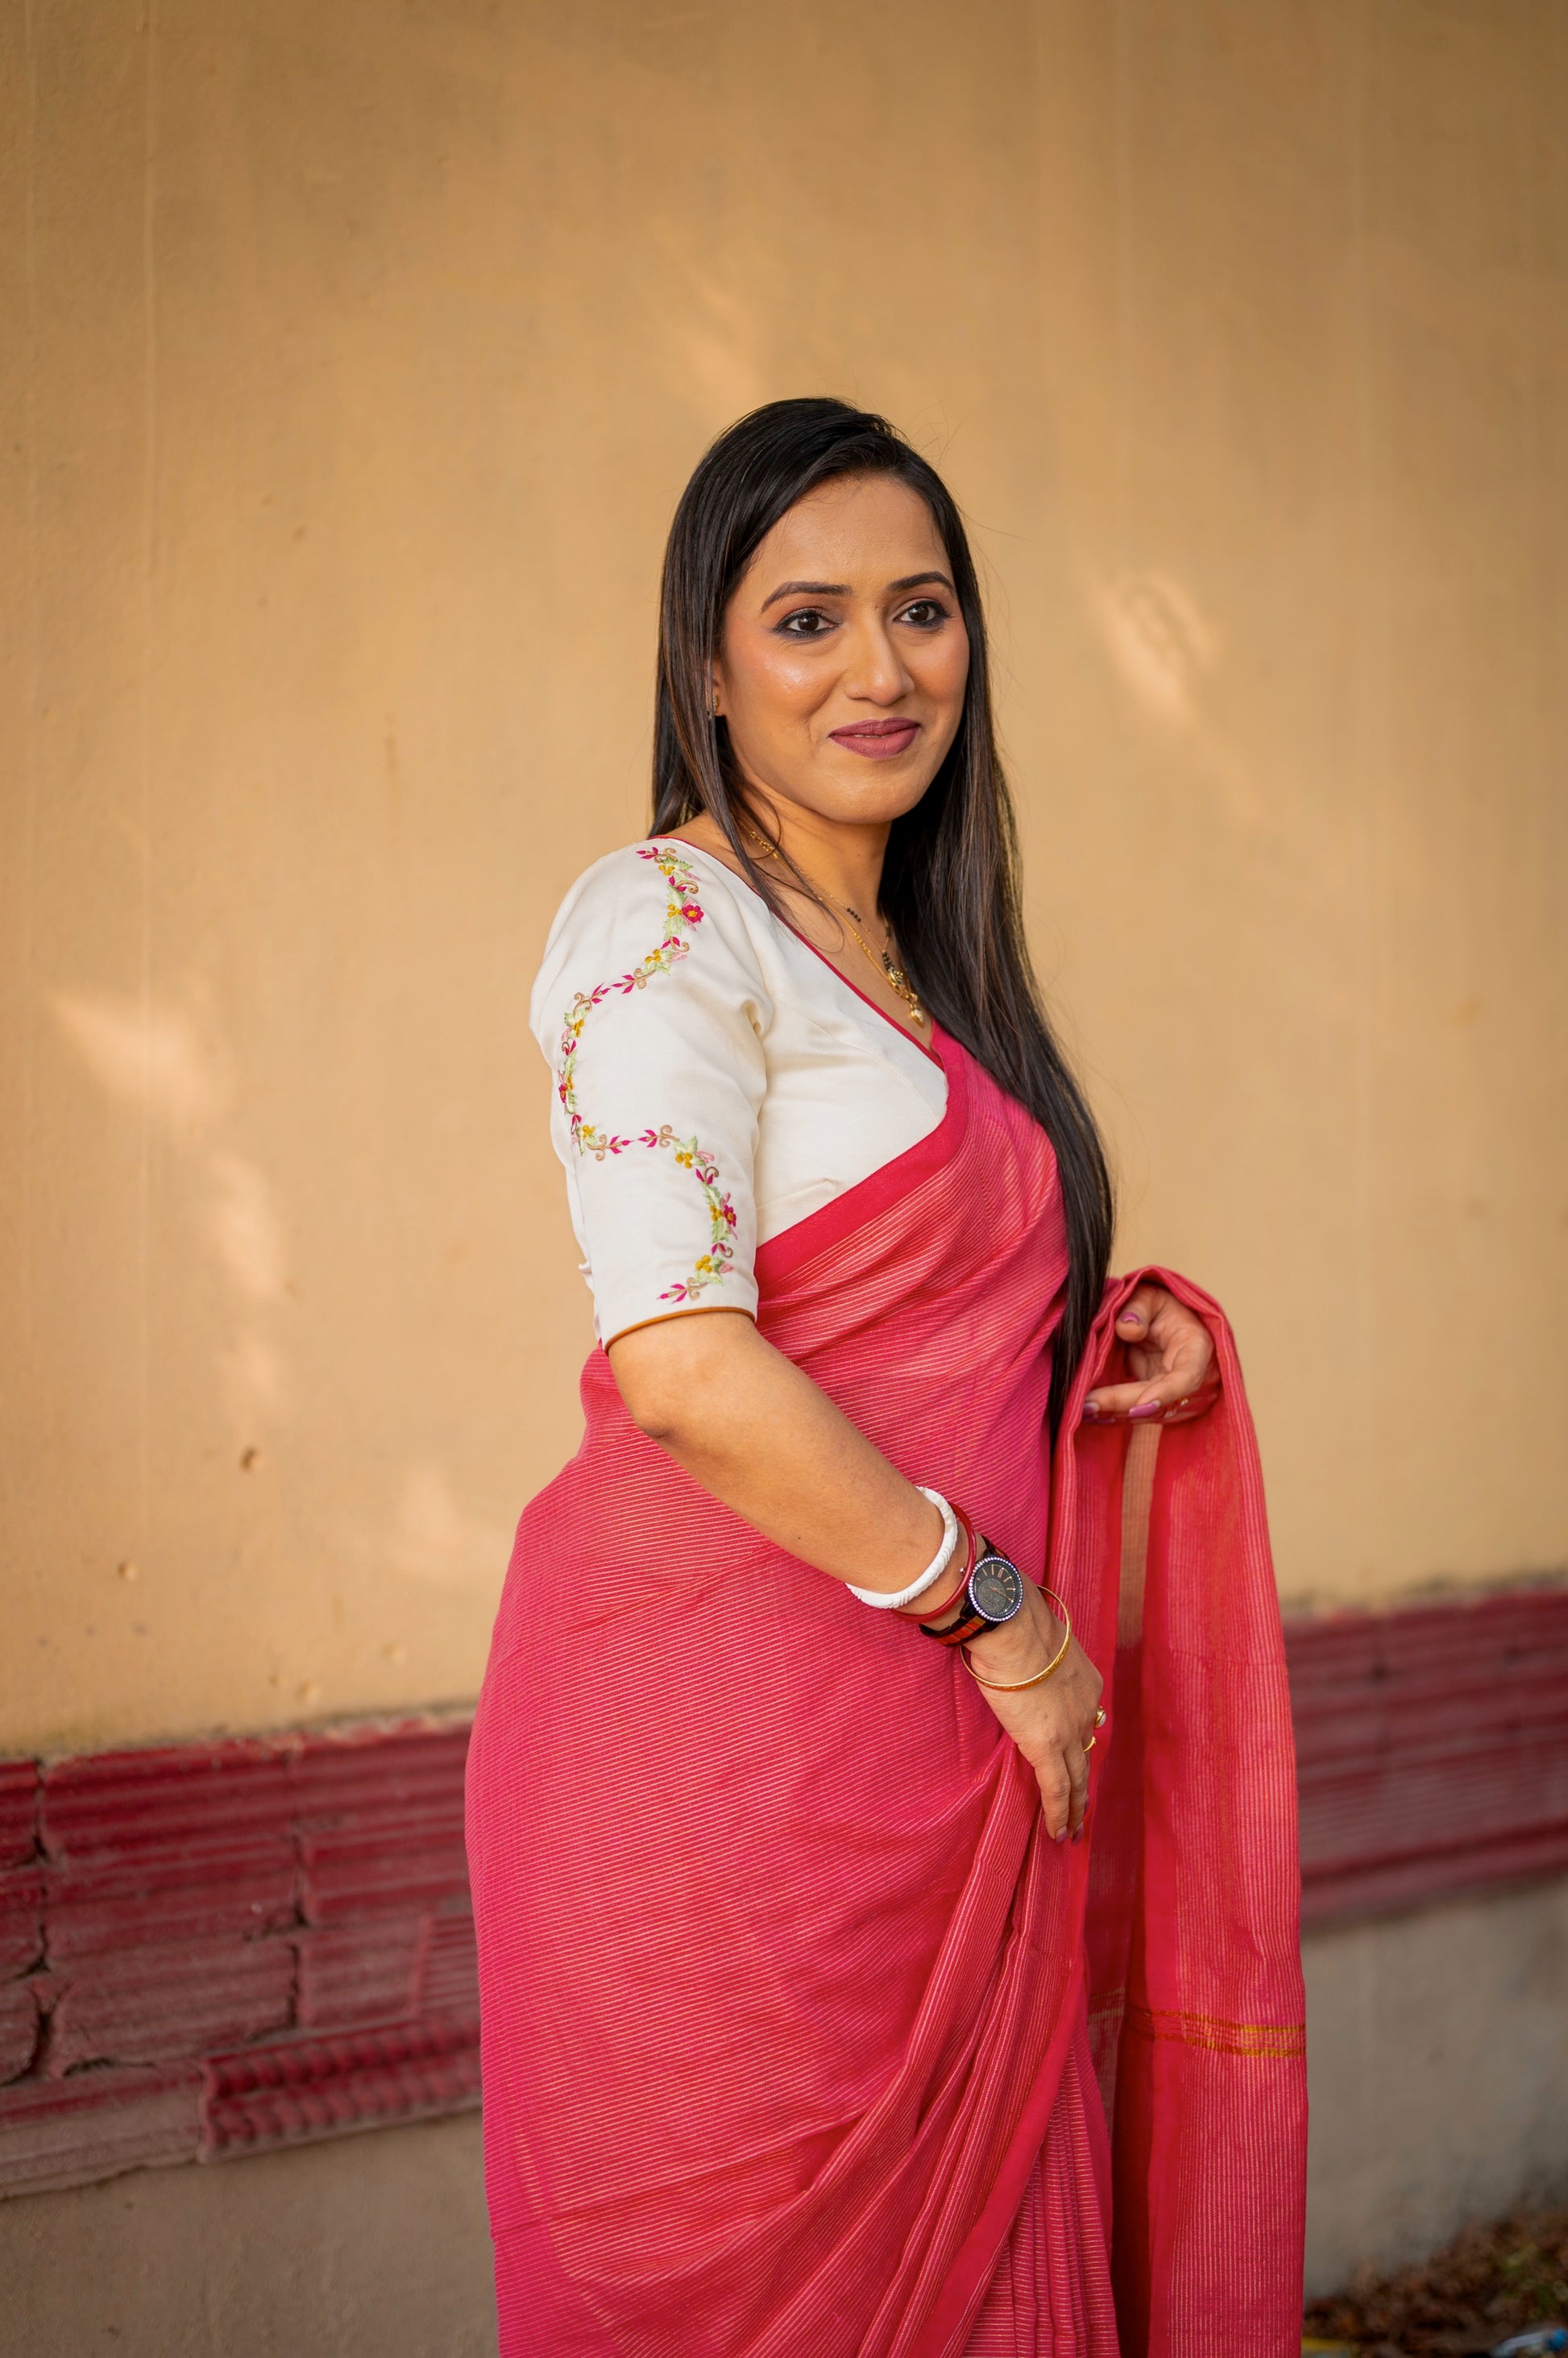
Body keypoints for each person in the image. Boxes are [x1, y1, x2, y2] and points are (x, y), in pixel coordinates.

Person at [465, 398, 1306, 2356]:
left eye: (920, 610)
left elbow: (920, 1296)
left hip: (948, 1782)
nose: (881, 668)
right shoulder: (661, 921)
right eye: (807, 619)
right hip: (722, 1783)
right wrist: (1003, 1614)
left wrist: (1115, 1331)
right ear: (705, 668)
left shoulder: (912, 965)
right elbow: (683, 1361)